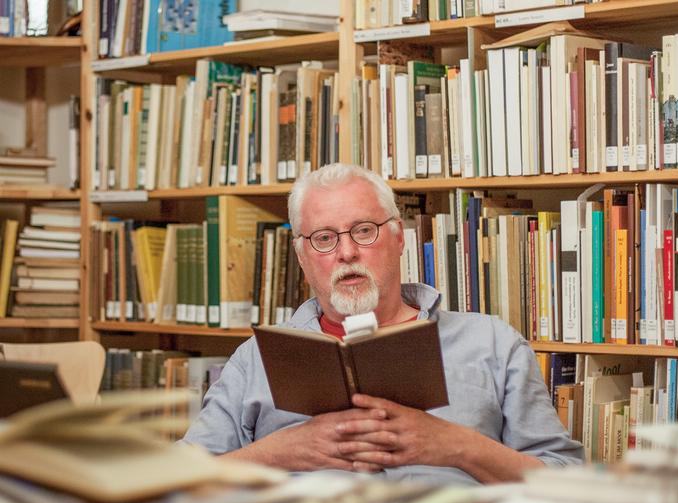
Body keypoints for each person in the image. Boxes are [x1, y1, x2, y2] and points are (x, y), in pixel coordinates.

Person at [182, 164, 584, 484]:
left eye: (364, 230)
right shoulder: (256, 360)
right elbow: (175, 485)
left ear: (398, 237)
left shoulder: (492, 343)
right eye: (324, 238)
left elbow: (568, 486)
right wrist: (277, 453)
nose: (347, 252)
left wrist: (459, 446)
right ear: (302, 256)